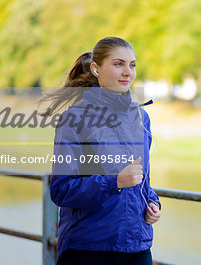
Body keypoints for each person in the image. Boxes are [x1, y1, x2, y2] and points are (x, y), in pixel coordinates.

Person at [41, 37, 161, 265]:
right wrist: (114, 181)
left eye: (132, 65)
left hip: (137, 245)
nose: (128, 72)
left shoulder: (140, 117)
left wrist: (153, 203)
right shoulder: (74, 119)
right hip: (89, 247)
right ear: (96, 69)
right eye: (118, 64)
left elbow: (142, 181)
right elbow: (61, 190)